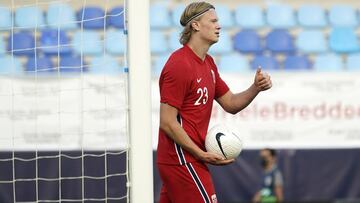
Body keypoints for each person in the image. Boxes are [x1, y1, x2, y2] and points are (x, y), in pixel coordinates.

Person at [157, 2, 272, 203]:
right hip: (182, 160)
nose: (219, 26)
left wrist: (256, 87)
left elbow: (231, 103)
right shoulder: (179, 64)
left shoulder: (208, 63)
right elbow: (167, 122)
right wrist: (201, 154)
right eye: (213, 21)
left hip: (188, 159)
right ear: (196, 25)